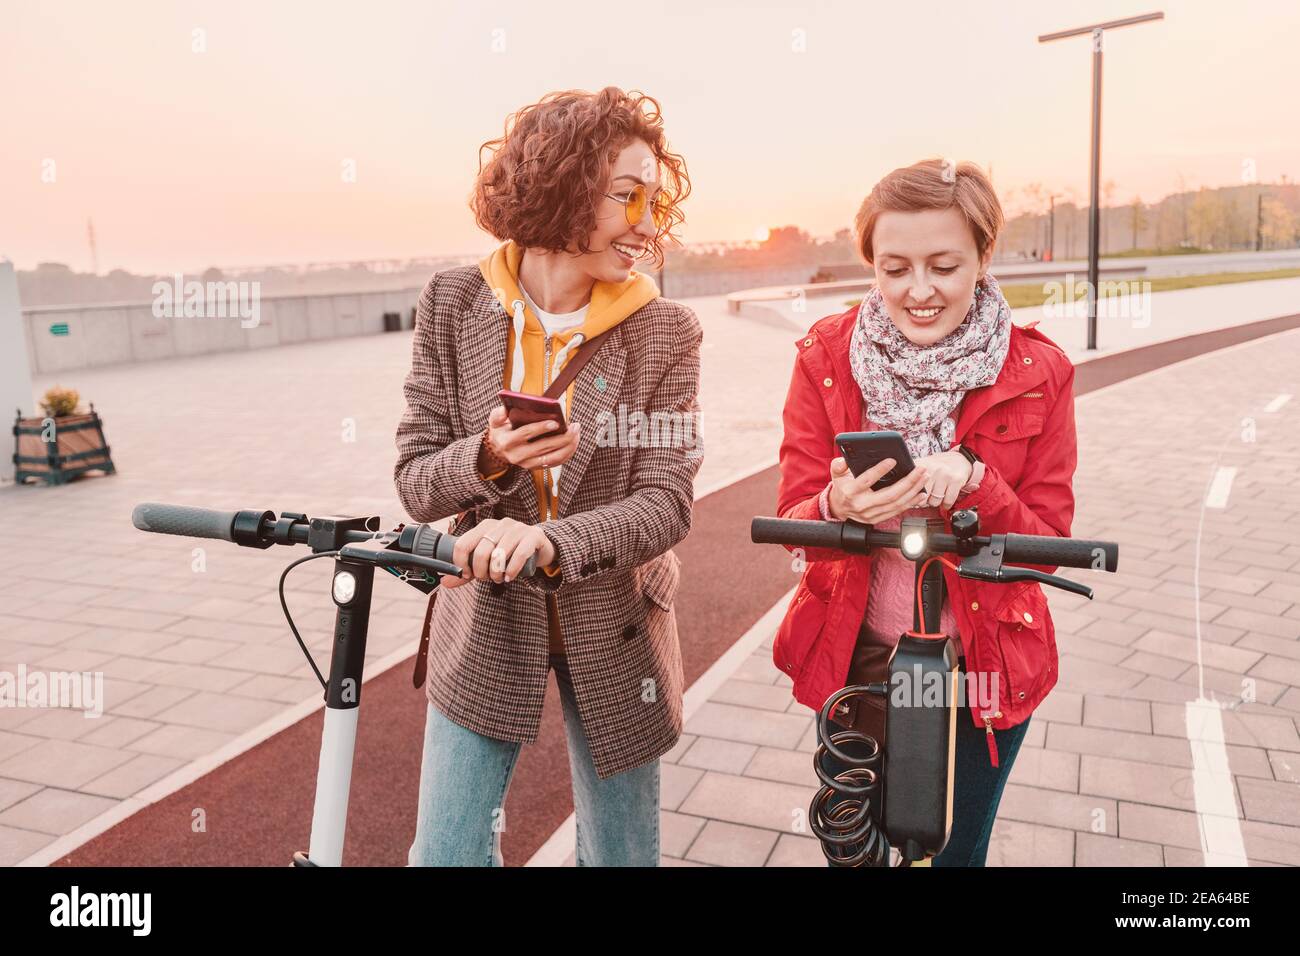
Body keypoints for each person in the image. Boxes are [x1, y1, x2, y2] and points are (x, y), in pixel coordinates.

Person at [395, 87, 701, 866]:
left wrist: (545, 542)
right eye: (627, 197)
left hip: (618, 626)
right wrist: (488, 456)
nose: (646, 224)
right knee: (445, 855)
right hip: (489, 626)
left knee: (621, 856)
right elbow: (415, 479)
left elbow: (665, 505)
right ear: (559, 185)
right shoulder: (452, 302)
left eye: (654, 202)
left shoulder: (665, 329)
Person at [774, 158, 1077, 866]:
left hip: (984, 665)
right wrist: (834, 505)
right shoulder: (825, 356)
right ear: (871, 266)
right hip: (860, 659)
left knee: (952, 855)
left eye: (943, 266)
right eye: (894, 267)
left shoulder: (1043, 374)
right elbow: (794, 518)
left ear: (982, 258)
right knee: (855, 853)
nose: (918, 291)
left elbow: (1048, 543)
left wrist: (976, 483)